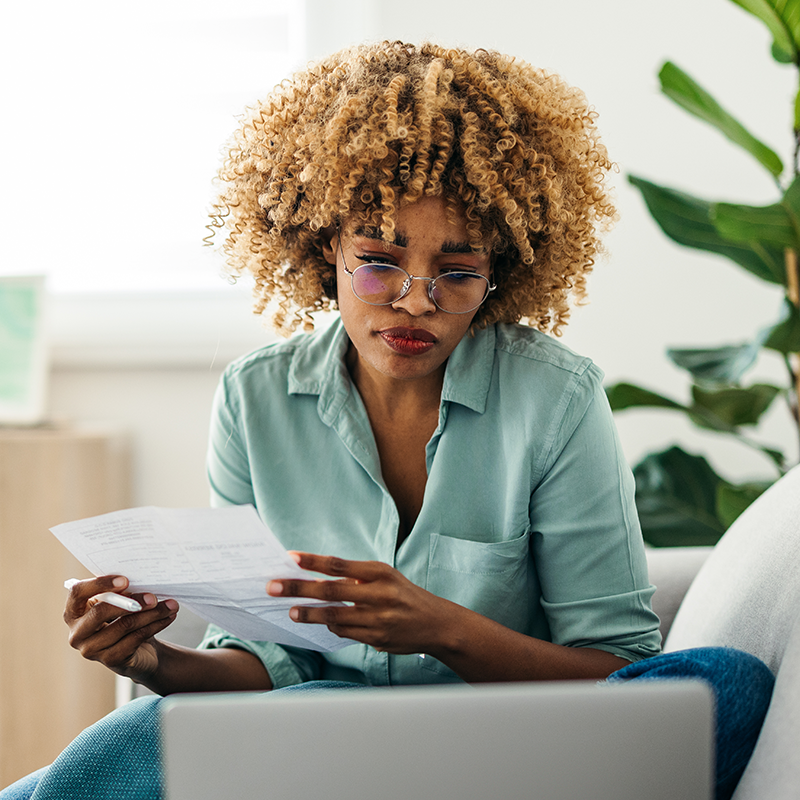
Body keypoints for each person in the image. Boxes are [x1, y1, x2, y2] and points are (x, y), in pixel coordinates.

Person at [2, 41, 773, 800]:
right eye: (378, 261)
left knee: (723, 684)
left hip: (492, 753)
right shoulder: (256, 399)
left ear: (499, 272)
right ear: (321, 249)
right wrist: (151, 665)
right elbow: (265, 662)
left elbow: (623, 677)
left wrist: (438, 627)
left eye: (458, 271)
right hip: (306, 754)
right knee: (149, 739)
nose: (414, 300)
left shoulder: (555, 399)